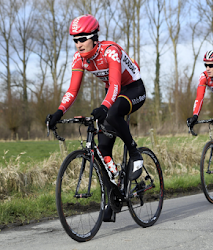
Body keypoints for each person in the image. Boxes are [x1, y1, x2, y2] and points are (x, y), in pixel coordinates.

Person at [46, 14, 146, 222]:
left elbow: (117, 85)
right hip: (113, 93)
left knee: (112, 111)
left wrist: (104, 106)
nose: (78, 44)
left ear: (94, 37)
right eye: (75, 40)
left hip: (133, 88)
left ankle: (135, 153)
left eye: (82, 39)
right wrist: (59, 112)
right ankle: (114, 198)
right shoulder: (79, 59)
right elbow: (72, 91)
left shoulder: (111, 51)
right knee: (102, 149)